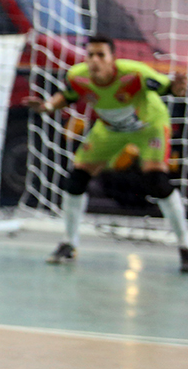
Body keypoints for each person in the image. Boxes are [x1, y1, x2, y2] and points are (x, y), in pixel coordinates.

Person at [23, 34, 188, 271]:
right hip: (110, 129)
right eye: (90, 55)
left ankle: (184, 245)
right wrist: (47, 106)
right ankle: (69, 243)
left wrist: (178, 88)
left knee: (156, 180)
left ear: (112, 59)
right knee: (77, 178)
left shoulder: (134, 73)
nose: (94, 61)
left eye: (101, 55)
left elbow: (168, 87)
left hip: (148, 125)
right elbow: (67, 96)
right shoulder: (78, 76)